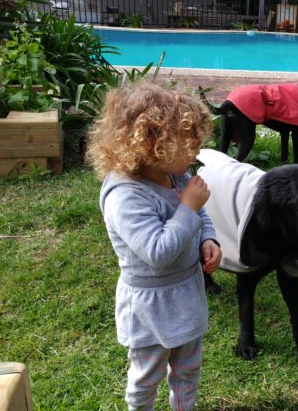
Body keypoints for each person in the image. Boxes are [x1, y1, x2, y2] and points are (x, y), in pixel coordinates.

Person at [86, 82, 221, 411]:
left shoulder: (175, 176)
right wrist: (187, 208)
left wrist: (208, 237)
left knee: (188, 371)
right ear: (151, 145)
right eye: (187, 146)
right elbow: (158, 253)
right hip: (150, 309)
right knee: (147, 377)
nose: (195, 154)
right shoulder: (125, 195)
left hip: (186, 297)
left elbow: (199, 215)